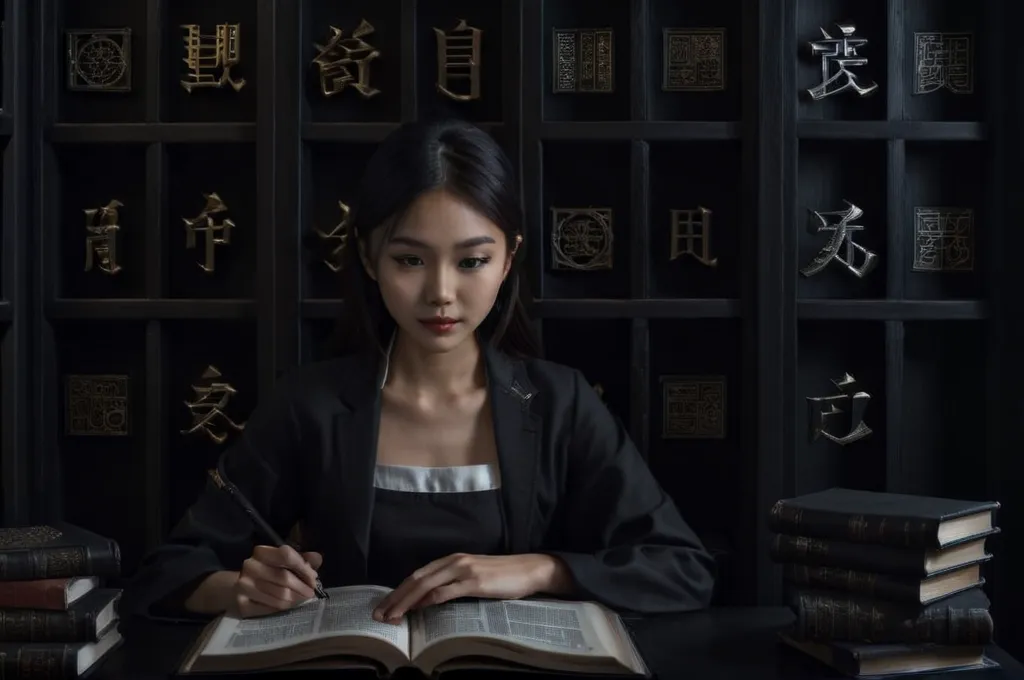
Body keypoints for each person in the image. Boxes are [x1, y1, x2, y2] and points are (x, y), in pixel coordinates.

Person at [121, 118, 716, 623]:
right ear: (367, 257)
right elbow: (169, 570)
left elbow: (682, 568)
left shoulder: (561, 402)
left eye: (472, 261)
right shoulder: (311, 404)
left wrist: (539, 570)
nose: (441, 294)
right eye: (410, 259)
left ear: (509, 257)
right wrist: (239, 589)